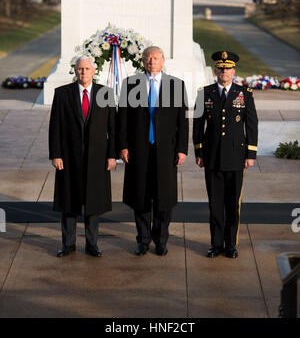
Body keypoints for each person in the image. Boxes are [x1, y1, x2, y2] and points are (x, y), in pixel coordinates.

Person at [118, 46, 189, 256]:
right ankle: (143, 239)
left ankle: (161, 240)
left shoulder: (176, 85)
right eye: (148, 58)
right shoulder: (130, 84)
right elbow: (122, 118)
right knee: (140, 196)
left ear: (163, 60)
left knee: (163, 198)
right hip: (138, 150)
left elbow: (182, 121)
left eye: (155, 58)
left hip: (165, 152)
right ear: (142, 60)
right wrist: (122, 146)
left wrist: (182, 149)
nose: (151, 61)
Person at [49, 56, 116, 258]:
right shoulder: (62, 94)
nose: (83, 72)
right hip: (69, 158)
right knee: (69, 202)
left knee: (93, 202)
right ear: (75, 71)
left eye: (87, 69)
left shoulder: (106, 93)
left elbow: (113, 129)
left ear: (94, 71)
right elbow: (55, 127)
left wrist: (112, 156)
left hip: (97, 158)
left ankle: (92, 244)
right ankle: (68, 244)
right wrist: (56, 154)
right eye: (80, 69)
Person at [193, 51, 258, 259]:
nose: (224, 72)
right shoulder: (205, 93)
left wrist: (251, 154)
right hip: (212, 156)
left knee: (232, 203)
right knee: (214, 203)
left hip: (236, 156)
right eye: (221, 68)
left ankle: (230, 244)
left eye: (228, 68)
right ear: (215, 71)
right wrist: (199, 152)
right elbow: (197, 125)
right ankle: (215, 244)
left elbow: (252, 125)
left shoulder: (244, 93)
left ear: (233, 71)